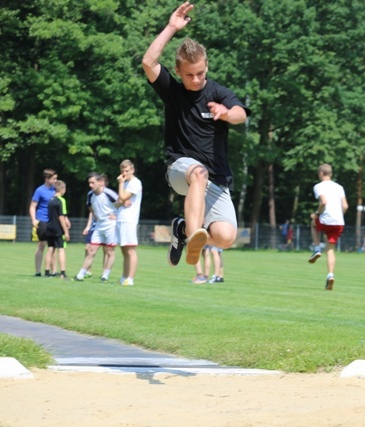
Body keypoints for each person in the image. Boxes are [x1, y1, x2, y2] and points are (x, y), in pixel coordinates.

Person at [142, 2, 251, 267]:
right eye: (189, 75)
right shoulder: (173, 92)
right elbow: (148, 61)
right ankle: (192, 235)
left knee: (225, 237)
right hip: (181, 170)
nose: (195, 79)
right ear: (179, 72)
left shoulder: (217, 93)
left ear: (207, 67)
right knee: (198, 173)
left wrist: (225, 114)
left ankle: (182, 230)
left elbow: (241, 114)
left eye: (200, 73)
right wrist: (171, 27)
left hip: (217, 178)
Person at [308, 164, 348, 290]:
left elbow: (323, 202)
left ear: (320, 173)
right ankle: (330, 275)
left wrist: (317, 214)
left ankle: (316, 248)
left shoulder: (318, 186)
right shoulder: (339, 187)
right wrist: (338, 216)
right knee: (330, 250)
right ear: (330, 173)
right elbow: (345, 206)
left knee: (313, 223)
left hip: (326, 219)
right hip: (339, 221)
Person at [73, 172, 118, 283]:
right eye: (89, 183)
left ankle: (105, 276)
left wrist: (117, 216)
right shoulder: (90, 195)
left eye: (93, 182)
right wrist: (96, 216)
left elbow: (122, 203)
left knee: (109, 251)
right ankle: (80, 275)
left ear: (100, 182)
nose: (90, 185)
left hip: (110, 225)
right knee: (91, 250)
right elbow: (90, 207)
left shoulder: (109, 193)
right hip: (99, 225)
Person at [116, 160, 143, 286]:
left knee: (130, 250)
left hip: (129, 219)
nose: (124, 173)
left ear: (132, 170)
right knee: (124, 250)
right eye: (122, 171)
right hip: (121, 218)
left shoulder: (135, 183)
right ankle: (124, 277)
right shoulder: (126, 184)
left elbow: (122, 197)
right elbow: (117, 202)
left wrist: (121, 184)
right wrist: (122, 200)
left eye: (127, 171)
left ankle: (130, 278)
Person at [29, 168, 58, 276]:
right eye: (54, 178)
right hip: (42, 220)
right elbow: (32, 206)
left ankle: (53, 271)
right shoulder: (39, 190)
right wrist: (34, 220)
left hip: (53, 221)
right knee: (42, 245)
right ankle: (38, 271)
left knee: (53, 246)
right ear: (47, 178)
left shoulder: (56, 190)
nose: (56, 180)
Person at [44, 181, 70, 279]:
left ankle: (47, 272)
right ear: (62, 189)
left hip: (49, 227)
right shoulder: (61, 200)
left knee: (50, 248)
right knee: (61, 249)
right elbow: (61, 217)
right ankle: (63, 273)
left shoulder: (50, 200)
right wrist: (66, 232)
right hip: (58, 228)